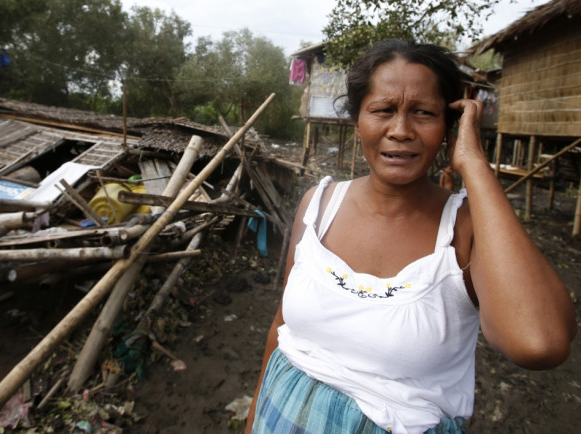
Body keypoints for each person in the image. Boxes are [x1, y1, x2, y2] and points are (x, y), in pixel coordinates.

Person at [245, 39, 576, 434]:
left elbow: (540, 342)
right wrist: (252, 423)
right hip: (277, 415)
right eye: (383, 110)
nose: (400, 131)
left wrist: (474, 165)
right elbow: (282, 326)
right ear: (357, 120)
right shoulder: (318, 206)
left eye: (423, 113)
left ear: (448, 127)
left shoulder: (465, 231)